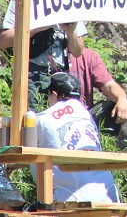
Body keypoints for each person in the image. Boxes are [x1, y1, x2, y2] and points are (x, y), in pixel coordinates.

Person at [0, 0, 88, 101]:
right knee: (31, 121)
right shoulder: (21, 0)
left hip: (62, 76)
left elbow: (78, 51)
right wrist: (37, 28)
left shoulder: (70, 3)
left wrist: (70, 32)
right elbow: (3, 41)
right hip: (31, 74)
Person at [36, 72, 121, 203]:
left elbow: (17, 150)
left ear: (53, 94)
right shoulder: (86, 115)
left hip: (74, 198)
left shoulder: (42, 118)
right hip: (110, 194)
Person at [66, 48, 127, 130]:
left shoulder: (89, 57)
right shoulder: (45, 57)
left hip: (82, 122)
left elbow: (109, 85)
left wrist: (122, 99)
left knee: (113, 107)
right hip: (51, 117)